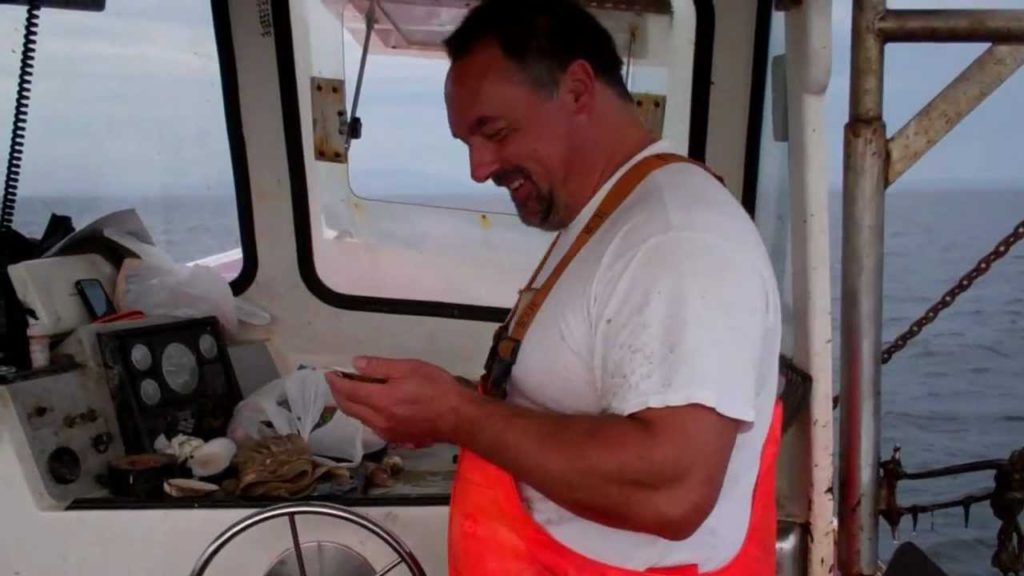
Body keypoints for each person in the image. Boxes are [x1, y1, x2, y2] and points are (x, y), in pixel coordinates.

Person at [327, 0, 782, 574]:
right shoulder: (607, 216)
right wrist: (443, 400)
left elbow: (674, 488)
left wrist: (457, 416)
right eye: (467, 141)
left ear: (576, 90)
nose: (478, 167)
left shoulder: (675, 238)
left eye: (493, 131)